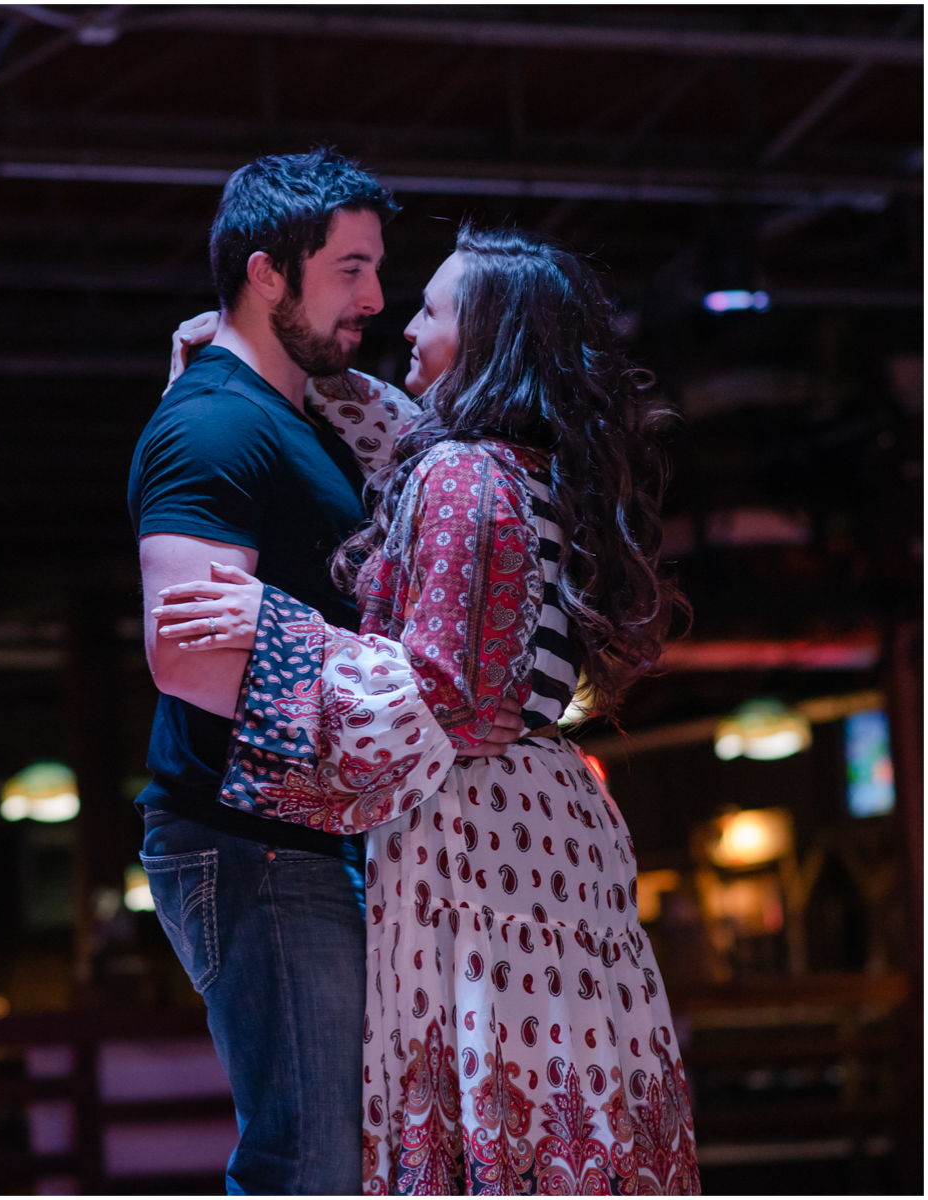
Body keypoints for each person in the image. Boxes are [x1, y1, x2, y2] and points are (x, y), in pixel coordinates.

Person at [153, 224, 701, 1194]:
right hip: (551, 832)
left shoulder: (463, 477)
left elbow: (446, 699)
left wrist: (281, 626)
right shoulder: (528, 467)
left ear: (487, 339)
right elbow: (397, 434)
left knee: (482, 1127)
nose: (404, 323)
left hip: (479, 840)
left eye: (434, 311)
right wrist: (278, 364)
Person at [127, 152, 523, 1195]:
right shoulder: (214, 419)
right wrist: (386, 684)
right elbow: (186, 657)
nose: (376, 299)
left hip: (297, 840)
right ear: (267, 275)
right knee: (309, 1164)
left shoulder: (306, 415)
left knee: (339, 1159)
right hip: (249, 842)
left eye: (377, 271)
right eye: (350, 270)